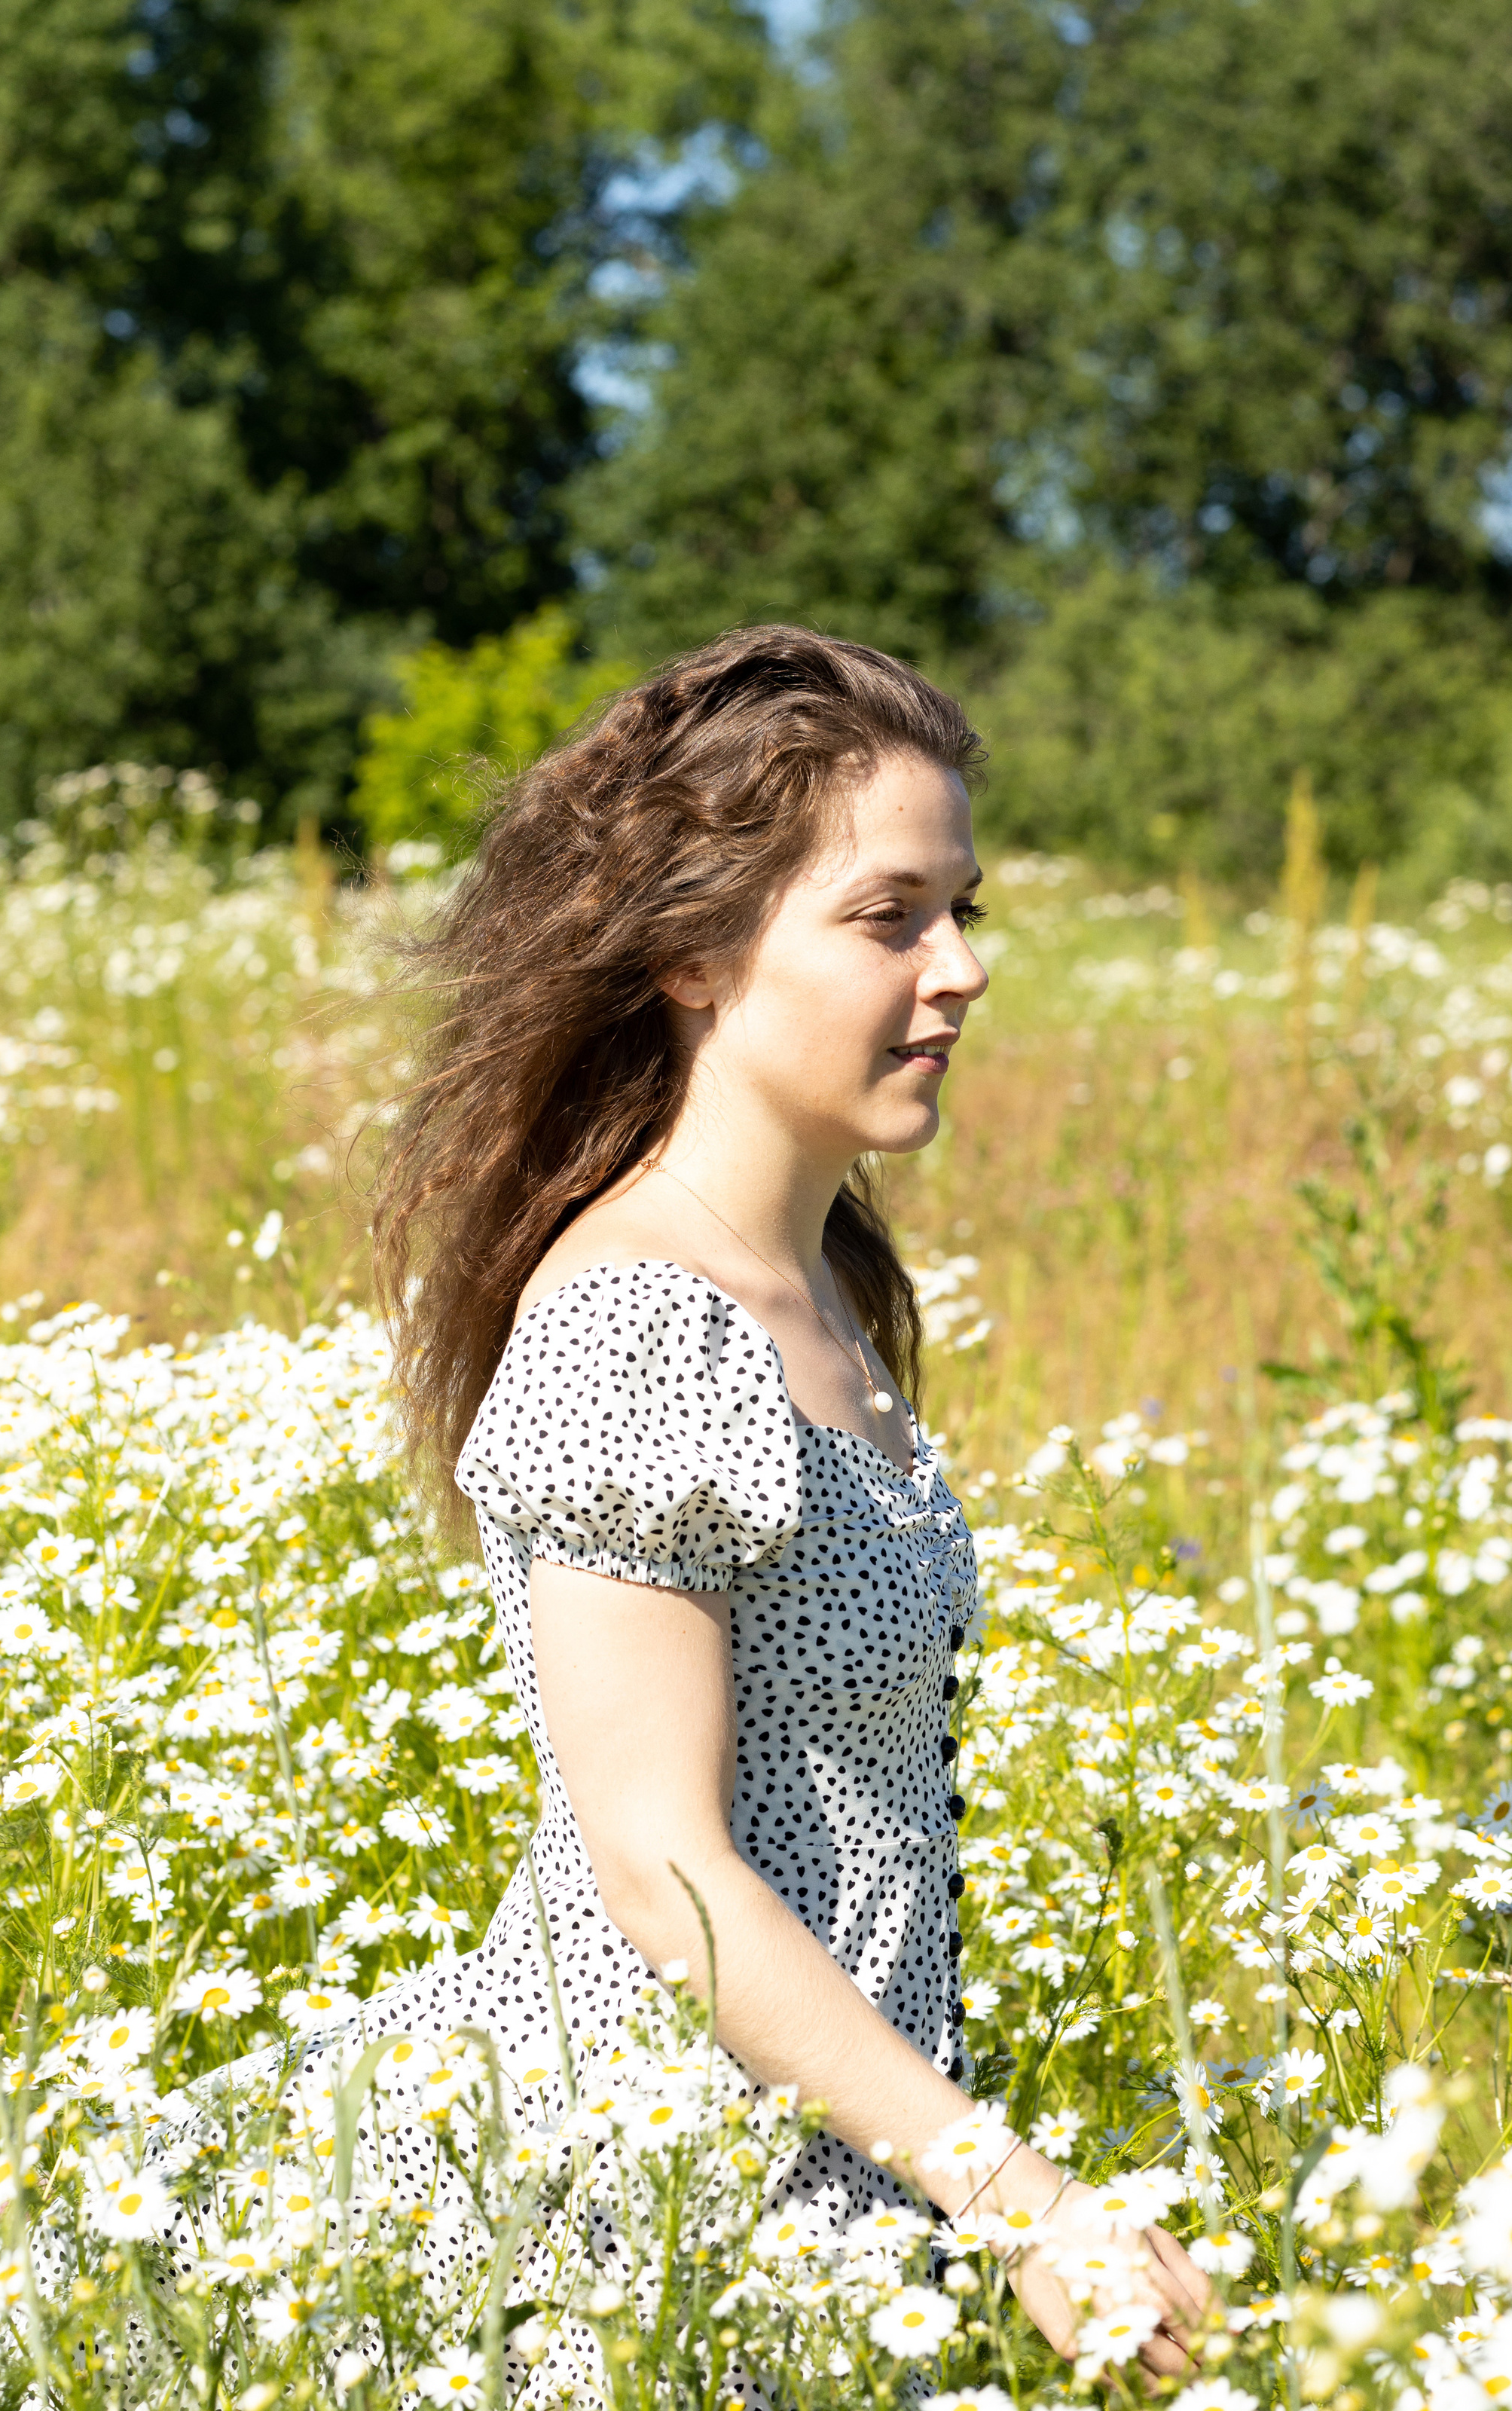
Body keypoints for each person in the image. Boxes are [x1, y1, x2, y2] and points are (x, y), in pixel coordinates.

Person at [363, 624, 1209, 2379]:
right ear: (689, 948)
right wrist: (1018, 2193)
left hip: (829, 2178)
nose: (961, 966)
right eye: (888, 915)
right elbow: (659, 1873)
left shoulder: (812, 1280)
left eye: (965, 909)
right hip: (652, 2219)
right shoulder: (641, 1317)